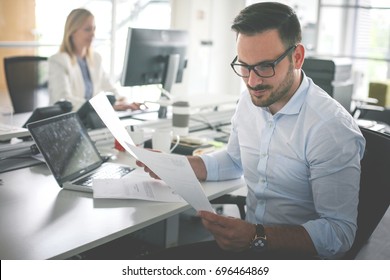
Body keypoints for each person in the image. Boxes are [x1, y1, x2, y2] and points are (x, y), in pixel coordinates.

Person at [136, 2, 366, 260]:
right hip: (250, 251)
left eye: (265, 66)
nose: (253, 81)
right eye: (244, 66)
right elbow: (235, 160)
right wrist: (176, 166)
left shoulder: (330, 129)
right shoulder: (250, 100)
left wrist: (257, 236)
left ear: (297, 57)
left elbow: (339, 234)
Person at [48, 8, 142, 111]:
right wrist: (104, 107)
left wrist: (124, 101)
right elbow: (64, 101)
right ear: (72, 31)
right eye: (87, 29)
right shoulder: (58, 61)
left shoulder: (95, 58)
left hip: (92, 120)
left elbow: (110, 89)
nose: (93, 34)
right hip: (70, 120)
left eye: (94, 29)